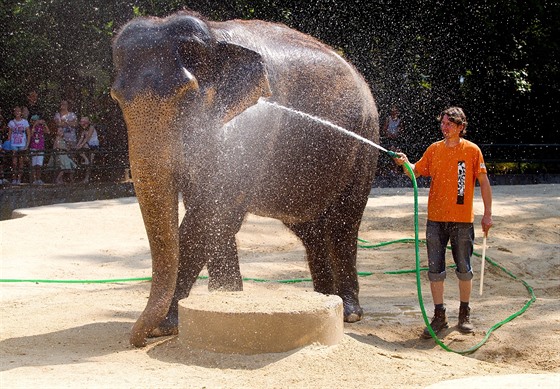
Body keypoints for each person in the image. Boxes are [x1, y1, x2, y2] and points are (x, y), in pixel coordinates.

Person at [393, 106, 493, 338]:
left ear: (460, 127)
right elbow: (415, 172)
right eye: (443, 123)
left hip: (462, 221)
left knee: (464, 269)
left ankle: (464, 314)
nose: (444, 127)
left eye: (449, 124)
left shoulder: (472, 151)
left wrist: (488, 214)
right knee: (435, 270)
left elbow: (484, 183)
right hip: (435, 220)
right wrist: (405, 163)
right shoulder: (434, 149)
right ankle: (439, 316)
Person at [7, 106, 31, 184]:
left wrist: (27, 144)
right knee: (14, 163)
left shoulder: (25, 122)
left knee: (21, 162)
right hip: (14, 143)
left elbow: (28, 133)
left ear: (21, 112)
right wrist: (8, 143)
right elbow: (9, 134)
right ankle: (14, 178)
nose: (17, 112)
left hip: (22, 143)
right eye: (16, 111)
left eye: (19, 111)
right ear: (14, 113)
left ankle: (19, 179)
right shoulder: (11, 122)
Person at [380, 105, 405, 179]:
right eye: (393, 112)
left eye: (395, 112)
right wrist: (389, 135)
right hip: (388, 139)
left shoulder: (399, 120)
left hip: (396, 139)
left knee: (398, 151)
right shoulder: (388, 119)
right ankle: (391, 170)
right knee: (392, 150)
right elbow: (384, 130)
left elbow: (401, 130)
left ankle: (395, 169)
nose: (394, 113)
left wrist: (397, 134)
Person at [76, 116, 100, 183]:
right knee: (87, 161)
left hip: (93, 145)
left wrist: (81, 145)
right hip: (87, 145)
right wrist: (77, 145)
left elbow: (87, 138)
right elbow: (81, 138)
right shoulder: (84, 129)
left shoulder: (91, 127)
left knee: (90, 163)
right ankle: (86, 178)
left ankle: (87, 178)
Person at [29, 115, 50, 185]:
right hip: (33, 147)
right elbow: (31, 134)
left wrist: (44, 124)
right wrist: (35, 124)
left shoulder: (41, 127)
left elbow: (48, 132)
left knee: (39, 165)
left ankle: (39, 179)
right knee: (34, 165)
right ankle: (34, 180)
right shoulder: (31, 127)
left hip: (40, 147)